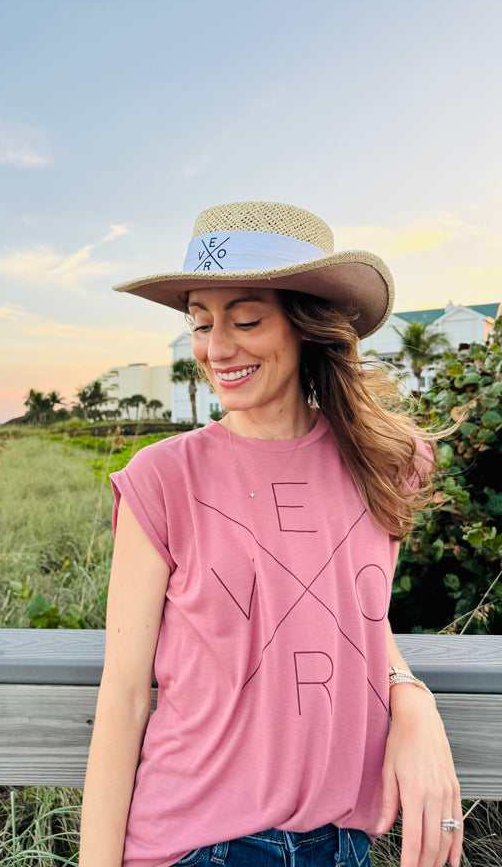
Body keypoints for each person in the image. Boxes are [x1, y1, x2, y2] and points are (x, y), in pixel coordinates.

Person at [79, 202, 462, 867]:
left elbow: (351, 613)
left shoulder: (383, 463)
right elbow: (123, 695)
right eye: (201, 322)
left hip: (342, 845)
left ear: (306, 323)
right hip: (195, 846)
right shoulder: (162, 479)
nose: (215, 348)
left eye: (246, 319)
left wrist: (410, 696)